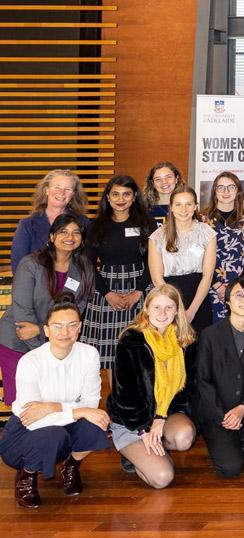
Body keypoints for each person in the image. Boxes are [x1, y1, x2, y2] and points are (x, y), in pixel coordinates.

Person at [0, 297, 110, 508]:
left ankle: (71, 465)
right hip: (24, 432)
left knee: (96, 422)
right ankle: (26, 476)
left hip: (61, 424)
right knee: (55, 433)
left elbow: (91, 405)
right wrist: (77, 410)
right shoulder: (30, 361)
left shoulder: (89, 355)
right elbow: (33, 420)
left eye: (71, 326)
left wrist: (53, 407)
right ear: (46, 330)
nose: (64, 332)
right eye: (57, 326)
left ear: (79, 328)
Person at [107, 284, 198, 488]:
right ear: (146, 309)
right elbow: (125, 397)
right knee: (162, 478)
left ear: (177, 310)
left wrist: (160, 417)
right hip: (132, 421)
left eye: (169, 307)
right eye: (157, 307)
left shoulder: (185, 340)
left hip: (165, 413)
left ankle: (154, 450)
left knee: (184, 438)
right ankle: (135, 452)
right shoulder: (131, 341)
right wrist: (143, 430)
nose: (163, 313)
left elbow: (187, 390)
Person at [1, 214, 94, 405]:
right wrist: (46, 351)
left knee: (52, 400)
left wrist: (45, 332)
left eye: (76, 232)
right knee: (24, 402)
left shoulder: (84, 267)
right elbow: (23, 314)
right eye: (63, 231)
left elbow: (78, 309)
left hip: (57, 343)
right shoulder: (31, 264)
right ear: (52, 236)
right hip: (18, 342)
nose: (70, 236)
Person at [194, 278, 244, 478]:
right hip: (216, 409)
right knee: (231, 469)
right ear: (228, 301)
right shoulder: (210, 335)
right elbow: (202, 380)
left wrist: (243, 407)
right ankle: (222, 436)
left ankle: (243, 434)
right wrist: (223, 416)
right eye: (239, 295)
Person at [81, 175, 151, 369]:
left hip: (141, 289)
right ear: (108, 198)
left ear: (134, 196)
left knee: (142, 352)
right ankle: (117, 400)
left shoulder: (147, 223)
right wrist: (107, 294)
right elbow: (87, 264)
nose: (121, 199)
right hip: (106, 291)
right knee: (112, 355)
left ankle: (141, 399)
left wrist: (138, 291)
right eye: (116, 194)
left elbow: (154, 261)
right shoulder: (95, 226)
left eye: (126, 194)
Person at [147, 187, 216, 332]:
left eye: (189, 204)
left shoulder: (207, 233)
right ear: (171, 207)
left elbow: (208, 277)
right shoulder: (157, 237)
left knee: (199, 349)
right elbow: (156, 279)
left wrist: (191, 311)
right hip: (168, 300)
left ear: (195, 206)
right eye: (178, 204)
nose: (184, 209)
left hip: (199, 299)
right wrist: (174, 308)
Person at [10, 169, 88, 270]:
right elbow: (19, 264)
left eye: (67, 189)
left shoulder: (83, 222)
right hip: (36, 283)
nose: (61, 193)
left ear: (73, 194)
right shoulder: (27, 224)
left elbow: (87, 259)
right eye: (57, 187)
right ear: (46, 190)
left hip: (73, 282)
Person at [203, 172, 244, 323]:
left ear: (238, 191)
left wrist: (236, 286)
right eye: (221, 187)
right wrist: (218, 286)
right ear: (214, 192)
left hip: (239, 287)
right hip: (210, 286)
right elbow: (199, 258)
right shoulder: (203, 220)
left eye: (230, 187)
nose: (225, 192)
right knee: (214, 333)